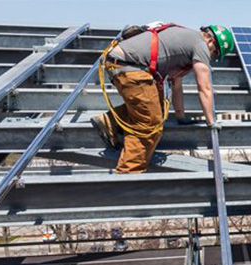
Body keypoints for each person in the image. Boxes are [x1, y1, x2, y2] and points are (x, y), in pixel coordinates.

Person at [92, 23, 235, 173]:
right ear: (212, 42)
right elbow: (204, 87)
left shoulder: (186, 41)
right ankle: (128, 174)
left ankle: (109, 122)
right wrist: (211, 122)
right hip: (130, 65)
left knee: (157, 103)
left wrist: (181, 117)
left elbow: (176, 85)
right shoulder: (200, 45)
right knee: (150, 123)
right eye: (215, 54)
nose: (211, 57)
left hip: (123, 62)